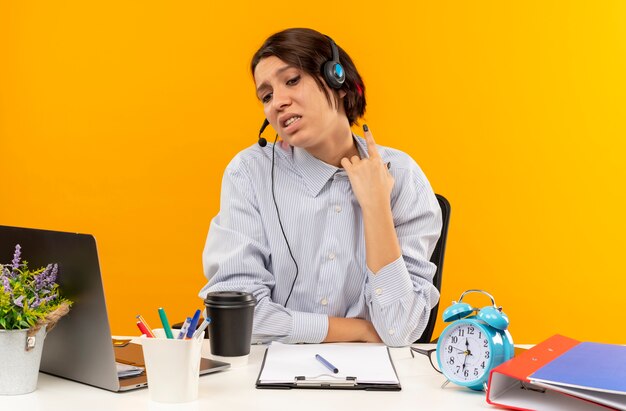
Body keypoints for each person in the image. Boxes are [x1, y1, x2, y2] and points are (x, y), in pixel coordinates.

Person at [199, 28, 442, 347]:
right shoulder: (251, 174)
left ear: (337, 80)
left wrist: (376, 207)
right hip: (268, 378)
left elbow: (399, 329)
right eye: (266, 96)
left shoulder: (403, 176)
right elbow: (237, 317)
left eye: (292, 80)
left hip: (375, 383)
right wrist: (359, 330)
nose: (278, 103)